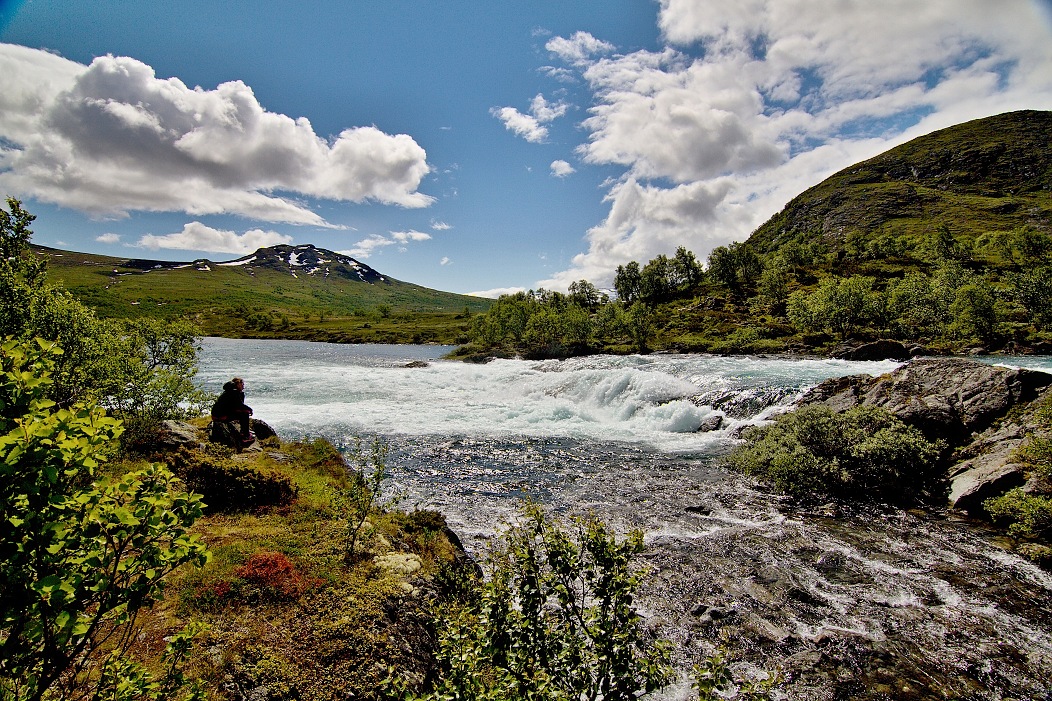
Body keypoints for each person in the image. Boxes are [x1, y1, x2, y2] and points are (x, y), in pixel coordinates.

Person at [211, 377, 254, 445]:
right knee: (245, 414)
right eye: (242, 384)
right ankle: (245, 436)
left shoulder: (228, 392)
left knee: (243, 412)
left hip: (216, 415)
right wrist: (250, 410)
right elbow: (240, 405)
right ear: (238, 384)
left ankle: (244, 432)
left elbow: (235, 406)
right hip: (221, 416)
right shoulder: (234, 392)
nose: (243, 386)